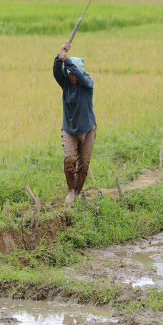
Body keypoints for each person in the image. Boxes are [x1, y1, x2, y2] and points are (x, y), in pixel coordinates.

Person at [53, 41, 97, 203]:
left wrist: (68, 61)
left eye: (74, 73)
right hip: (69, 130)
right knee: (70, 159)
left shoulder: (87, 84)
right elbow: (56, 71)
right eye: (69, 73)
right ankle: (71, 190)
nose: (72, 76)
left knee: (84, 164)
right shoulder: (66, 85)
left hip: (87, 129)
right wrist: (60, 57)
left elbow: (79, 75)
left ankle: (78, 192)